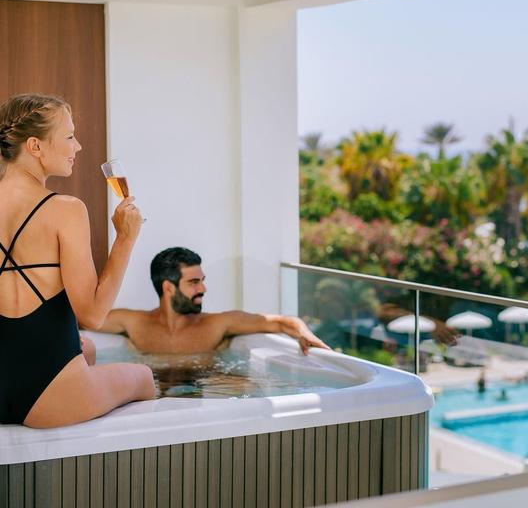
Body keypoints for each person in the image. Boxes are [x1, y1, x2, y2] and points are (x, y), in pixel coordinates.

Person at [0, 94, 155, 428]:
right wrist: (126, 239)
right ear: (35, 146)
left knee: (88, 351)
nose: (78, 146)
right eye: (69, 136)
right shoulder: (65, 209)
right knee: (144, 376)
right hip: (51, 400)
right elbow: (94, 314)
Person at [94, 247, 331, 354]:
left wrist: (304, 334)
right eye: (194, 282)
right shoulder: (134, 323)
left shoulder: (218, 324)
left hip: (206, 395)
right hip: (151, 403)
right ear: (168, 287)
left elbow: (280, 322)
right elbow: (86, 320)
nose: (203, 288)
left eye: (202, 280)